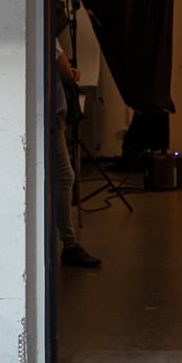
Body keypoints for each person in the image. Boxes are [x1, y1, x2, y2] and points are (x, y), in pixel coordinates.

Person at [51, 38, 102, 267]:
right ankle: (69, 244)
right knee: (64, 175)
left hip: (43, 110)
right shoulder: (45, 29)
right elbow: (64, 71)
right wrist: (71, 73)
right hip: (47, 113)